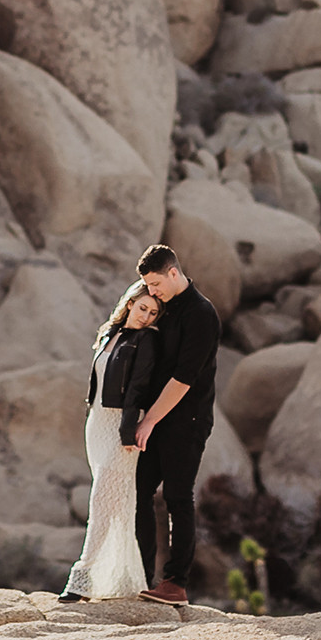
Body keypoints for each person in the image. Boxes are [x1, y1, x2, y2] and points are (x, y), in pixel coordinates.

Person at [128, 243, 219, 605]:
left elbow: (183, 379)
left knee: (179, 498)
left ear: (173, 273)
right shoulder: (163, 309)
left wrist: (148, 421)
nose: (152, 292)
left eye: (155, 284)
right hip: (156, 419)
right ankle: (140, 574)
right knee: (139, 493)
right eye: (147, 287)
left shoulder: (202, 313)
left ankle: (176, 583)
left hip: (188, 420)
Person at [57, 284, 160, 601]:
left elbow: (138, 388)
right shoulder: (110, 333)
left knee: (103, 502)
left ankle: (82, 578)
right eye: (142, 308)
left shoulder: (147, 340)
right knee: (115, 506)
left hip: (120, 426)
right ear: (130, 304)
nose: (146, 316)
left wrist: (128, 432)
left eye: (153, 312)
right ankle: (125, 580)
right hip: (97, 424)